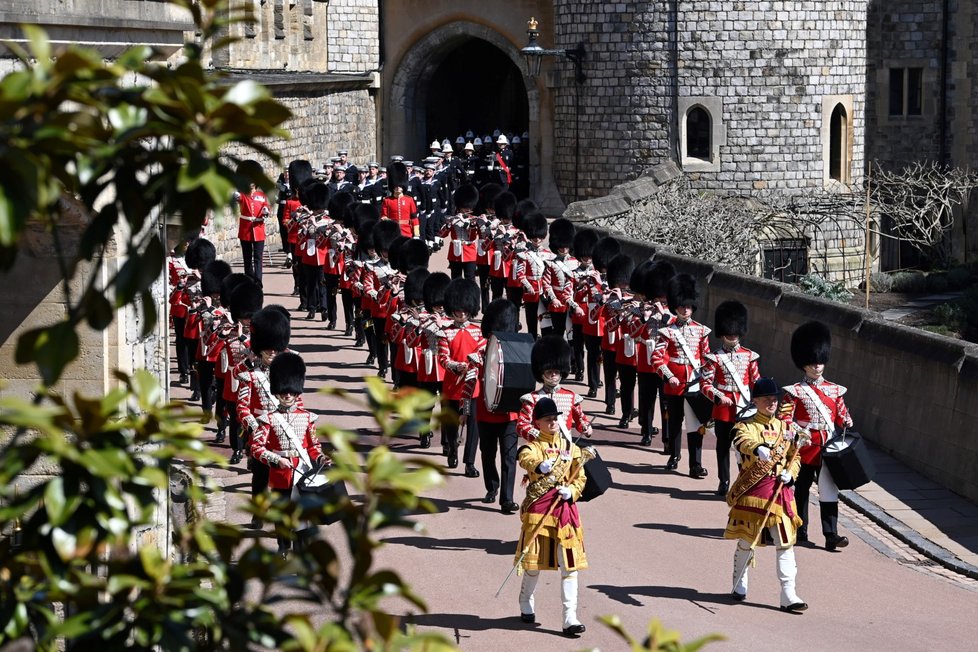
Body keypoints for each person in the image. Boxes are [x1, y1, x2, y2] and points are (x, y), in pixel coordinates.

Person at [724, 377, 807, 612]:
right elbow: (739, 440)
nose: (772, 403)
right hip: (755, 491)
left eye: (774, 399)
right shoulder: (746, 425)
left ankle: (788, 594)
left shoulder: (786, 428)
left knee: (786, 543)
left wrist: (791, 474)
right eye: (767, 399)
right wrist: (756, 448)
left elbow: (795, 455)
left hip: (780, 492)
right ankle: (739, 582)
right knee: (746, 539)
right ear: (756, 401)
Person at [515, 397, 588, 637]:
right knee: (533, 564)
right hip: (540, 511)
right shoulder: (533, 446)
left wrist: (573, 491)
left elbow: (581, 477)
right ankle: (526, 600)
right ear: (538, 422)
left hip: (564, 511)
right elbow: (524, 458)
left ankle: (570, 618)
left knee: (570, 566)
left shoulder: (571, 448)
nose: (554, 422)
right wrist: (539, 466)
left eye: (555, 418)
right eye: (548, 419)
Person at [780, 321, 854, 551]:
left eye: (820, 362)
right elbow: (784, 420)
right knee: (801, 489)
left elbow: (841, 415)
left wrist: (847, 420)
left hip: (827, 447)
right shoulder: (794, 392)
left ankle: (831, 534)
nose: (817, 366)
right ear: (804, 365)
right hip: (804, 447)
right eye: (813, 363)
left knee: (829, 490)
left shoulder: (835, 390)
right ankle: (800, 529)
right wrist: (797, 433)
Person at [250, 351, 328, 557]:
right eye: (284, 393)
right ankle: (284, 546)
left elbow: (313, 446)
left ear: (296, 393)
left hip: (301, 470)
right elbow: (257, 448)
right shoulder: (268, 419)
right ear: (277, 393)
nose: (287, 396)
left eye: (290, 393)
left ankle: (302, 550)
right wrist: (276, 460)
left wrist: (321, 457)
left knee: (302, 515)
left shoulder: (308, 417)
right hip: (280, 473)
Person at [459, 298, 522, 513]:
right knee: (487, 454)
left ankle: (507, 498)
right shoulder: (481, 349)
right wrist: (464, 409)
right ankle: (492, 487)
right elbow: (469, 381)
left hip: (510, 414)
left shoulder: (517, 347)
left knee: (509, 456)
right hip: (486, 411)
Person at [653, 273, 713, 476]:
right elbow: (657, 359)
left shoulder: (702, 331)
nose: (685, 310)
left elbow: (706, 358)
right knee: (675, 421)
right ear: (675, 307)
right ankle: (674, 455)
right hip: (674, 384)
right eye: (681, 306)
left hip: (695, 384)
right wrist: (669, 375)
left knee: (696, 425)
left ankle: (695, 464)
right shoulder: (667, 332)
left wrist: (706, 379)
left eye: (688, 306)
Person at [701, 300, 761, 497]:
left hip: (744, 407)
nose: (732, 335)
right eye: (729, 331)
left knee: (745, 447)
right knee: (722, 446)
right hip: (724, 409)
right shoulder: (714, 358)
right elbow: (705, 384)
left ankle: (743, 480)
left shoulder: (749, 356)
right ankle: (724, 480)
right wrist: (718, 397)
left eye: (735, 331)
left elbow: (756, 382)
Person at [437, 278, 484, 476]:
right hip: (452, 386)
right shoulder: (445, 333)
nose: (462, 313)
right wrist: (457, 366)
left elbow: (483, 353)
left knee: (473, 426)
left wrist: (474, 364)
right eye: (458, 309)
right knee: (451, 423)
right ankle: (453, 450)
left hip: (472, 387)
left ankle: (470, 462)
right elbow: (442, 358)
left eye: (465, 309)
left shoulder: (478, 331)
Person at [517, 335, 592, 442]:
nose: (553, 375)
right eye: (549, 372)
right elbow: (521, 425)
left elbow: (581, 419)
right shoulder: (532, 399)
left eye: (556, 372)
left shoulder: (571, 397)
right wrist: (539, 436)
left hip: (564, 450)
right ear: (541, 373)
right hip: (540, 448)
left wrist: (585, 427)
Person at [233, 160, 270, 286]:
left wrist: (266, 210)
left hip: (258, 229)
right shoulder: (242, 195)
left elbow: (266, 206)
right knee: (247, 258)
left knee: (258, 258)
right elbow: (236, 196)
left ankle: (258, 281)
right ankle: (249, 280)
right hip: (246, 230)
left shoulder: (262, 195)